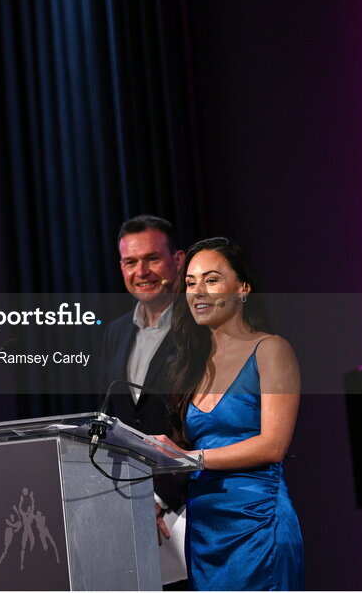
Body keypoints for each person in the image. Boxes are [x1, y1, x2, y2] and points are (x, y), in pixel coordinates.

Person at [156, 236, 304, 590]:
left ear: (243, 288)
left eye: (211, 279)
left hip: (257, 521)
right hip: (205, 528)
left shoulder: (271, 349)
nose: (198, 292)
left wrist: (191, 458)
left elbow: (273, 445)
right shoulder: (191, 365)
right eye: (190, 283)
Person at [101, 215, 189, 588]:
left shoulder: (201, 328)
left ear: (179, 260)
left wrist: (156, 500)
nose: (142, 272)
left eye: (152, 258)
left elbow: (205, 427)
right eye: (130, 262)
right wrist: (129, 502)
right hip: (133, 519)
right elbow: (108, 424)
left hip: (194, 511)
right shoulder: (115, 333)